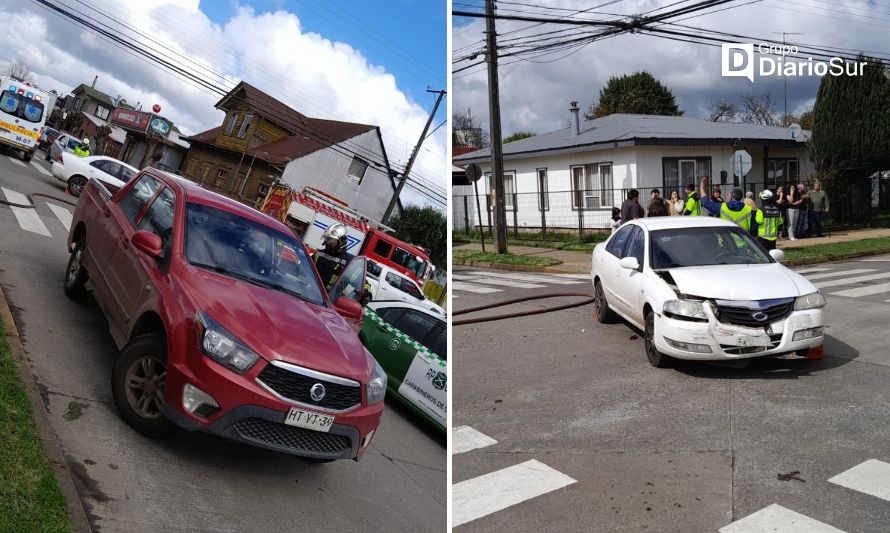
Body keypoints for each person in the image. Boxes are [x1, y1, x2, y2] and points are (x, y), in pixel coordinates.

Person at [313, 223, 352, 289]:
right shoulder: (319, 254)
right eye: (327, 239)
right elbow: (304, 268)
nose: (328, 242)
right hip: (312, 291)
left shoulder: (349, 261)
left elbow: (359, 282)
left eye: (331, 240)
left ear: (341, 241)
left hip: (330, 297)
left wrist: (366, 293)